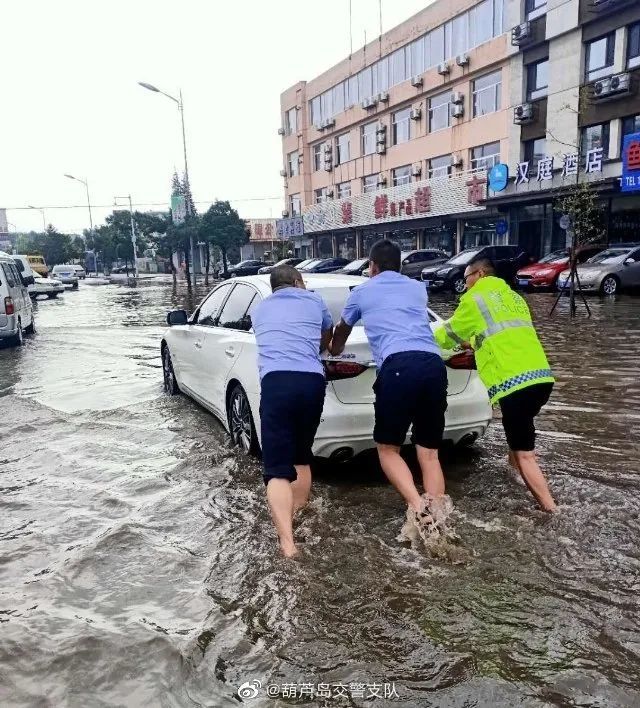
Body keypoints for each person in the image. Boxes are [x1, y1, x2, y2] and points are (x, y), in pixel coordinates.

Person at [330, 239, 448, 526]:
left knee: (387, 449)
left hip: (398, 367)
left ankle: (417, 506)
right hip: (434, 365)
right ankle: (438, 519)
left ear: (372, 266)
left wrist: (333, 349)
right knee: (429, 452)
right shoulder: (417, 288)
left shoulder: (361, 291)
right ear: (400, 264)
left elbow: (340, 336)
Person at [433, 257, 557, 512]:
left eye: (466, 278)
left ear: (478, 274)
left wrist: (421, 337)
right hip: (541, 378)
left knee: (525, 454)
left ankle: (551, 510)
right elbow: (500, 334)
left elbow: (449, 335)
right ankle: (514, 476)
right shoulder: (513, 297)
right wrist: (474, 342)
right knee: (520, 434)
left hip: (514, 383)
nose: (464, 284)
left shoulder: (475, 298)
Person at [252, 264, 333, 557]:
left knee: (276, 469)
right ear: (299, 282)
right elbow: (328, 332)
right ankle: (299, 515)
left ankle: (287, 543)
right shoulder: (314, 300)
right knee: (301, 455)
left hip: (276, 382)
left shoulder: (259, 309)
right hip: (312, 381)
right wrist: (320, 349)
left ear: (274, 287)